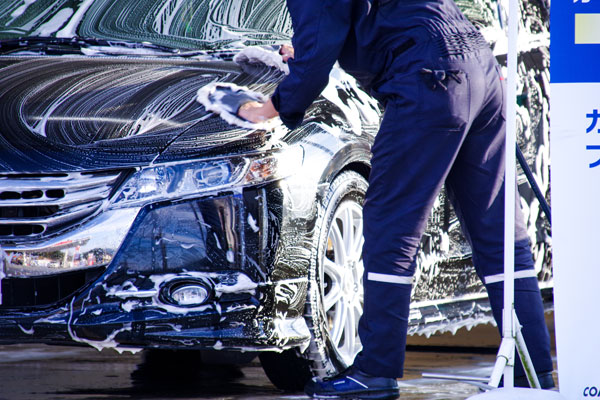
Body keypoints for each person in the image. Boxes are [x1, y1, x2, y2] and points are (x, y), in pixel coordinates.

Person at [239, 0, 555, 398]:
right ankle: (534, 374)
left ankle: (375, 370)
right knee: (500, 235)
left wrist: (270, 107)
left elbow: (320, 44)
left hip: (429, 80)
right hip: (479, 70)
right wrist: (307, 53)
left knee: (391, 228)